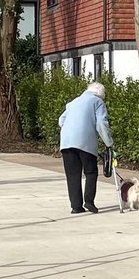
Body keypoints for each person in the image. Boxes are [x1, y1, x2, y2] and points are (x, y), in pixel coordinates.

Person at [56, 81, 113, 214]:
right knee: (91, 171)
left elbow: (61, 120)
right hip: (85, 141)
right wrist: (108, 142)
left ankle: (76, 207)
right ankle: (89, 201)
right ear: (101, 94)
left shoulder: (73, 102)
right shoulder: (97, 102)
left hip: (66, 142)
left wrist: (71, 129)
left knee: (72, 174)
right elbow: (101, 123)